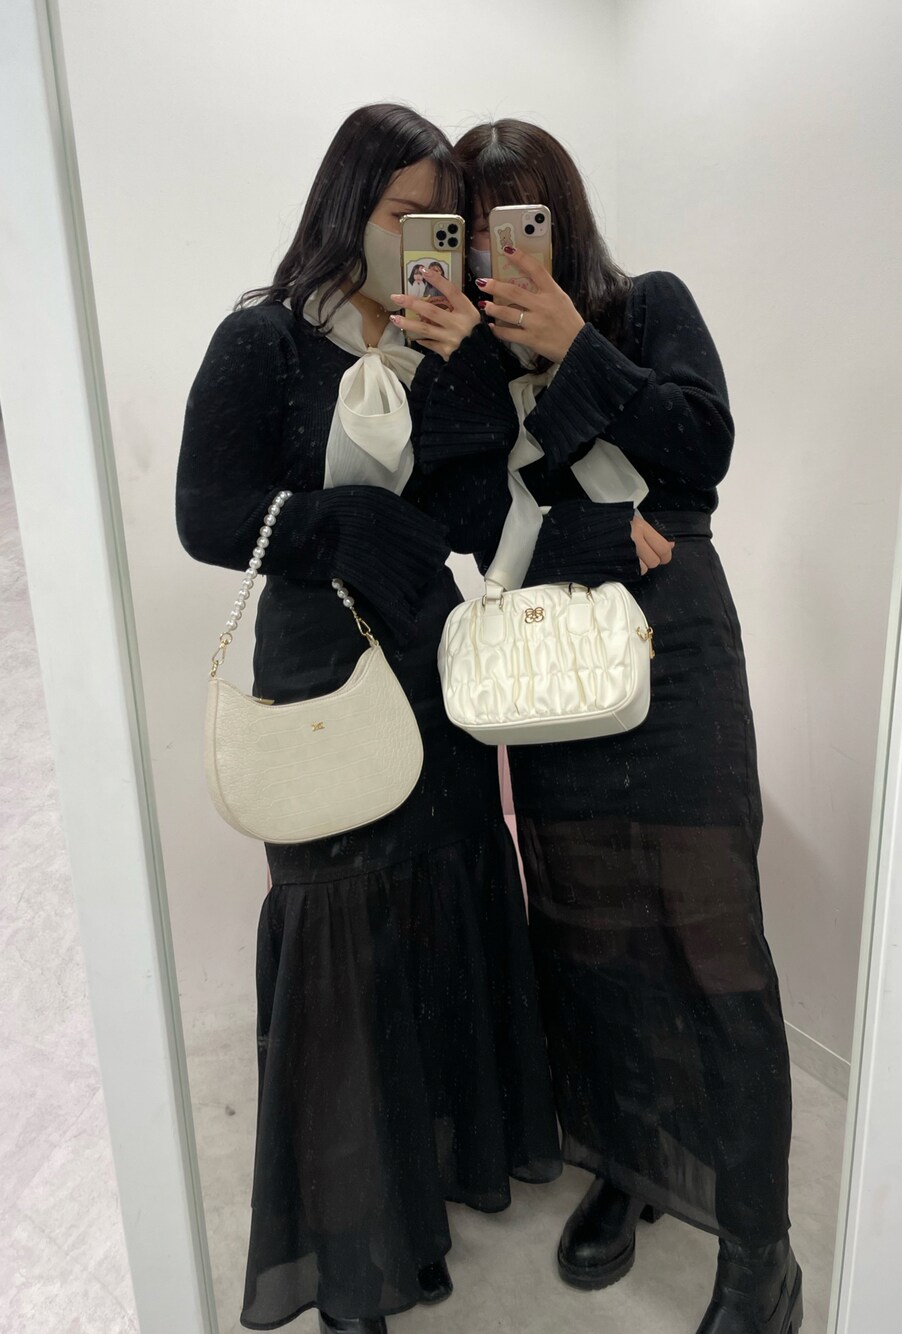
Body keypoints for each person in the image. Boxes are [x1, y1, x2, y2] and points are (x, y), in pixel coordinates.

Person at [393, 118, 802, 1334]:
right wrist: (485, 381)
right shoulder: (458, 352)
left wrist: (576, 347)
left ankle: (759, 1245)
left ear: (560, 218)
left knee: (716, 945)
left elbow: (700, 452)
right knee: (587, 939)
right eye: (479, 230)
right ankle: (628, 1165)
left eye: (522, 222)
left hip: (676, 655)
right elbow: (471, 524)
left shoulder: (644, 306)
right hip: (550, 670)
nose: (501, 254)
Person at [176, 105, 561, 1334]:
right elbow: (205, 512)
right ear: (349, 207)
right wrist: (338, 523)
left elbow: (478, 507)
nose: (421, 237)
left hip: (433, 675)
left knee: (441, 898)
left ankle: (437, 1170)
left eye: (440, 218)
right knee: (341, 930)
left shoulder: (445, 340)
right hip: (322, 672)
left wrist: (465, 365)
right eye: (404, 213)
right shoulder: (264, 340)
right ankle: (354, 1245)